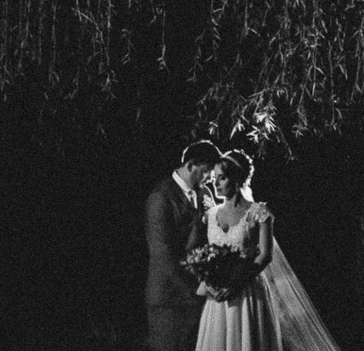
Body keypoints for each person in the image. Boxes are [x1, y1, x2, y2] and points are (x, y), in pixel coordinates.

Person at [195, 150, 344, 351]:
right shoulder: (211, 215)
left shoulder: (259, 212)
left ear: (237, 179)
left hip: (247, 290)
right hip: (219, 295)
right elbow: (208, 254)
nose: (216, 184)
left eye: (222, 178)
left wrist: (236, 283)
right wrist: (210, 279)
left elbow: (265, 255)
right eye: (214, 178)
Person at [146, 140, 223, 351]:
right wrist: (194, 289)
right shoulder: (160, 198)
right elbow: (162, 255)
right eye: (206, 172)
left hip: (202, 298)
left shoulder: (205, 194)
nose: (209, 179)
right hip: (170, 300)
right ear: (190, 165)